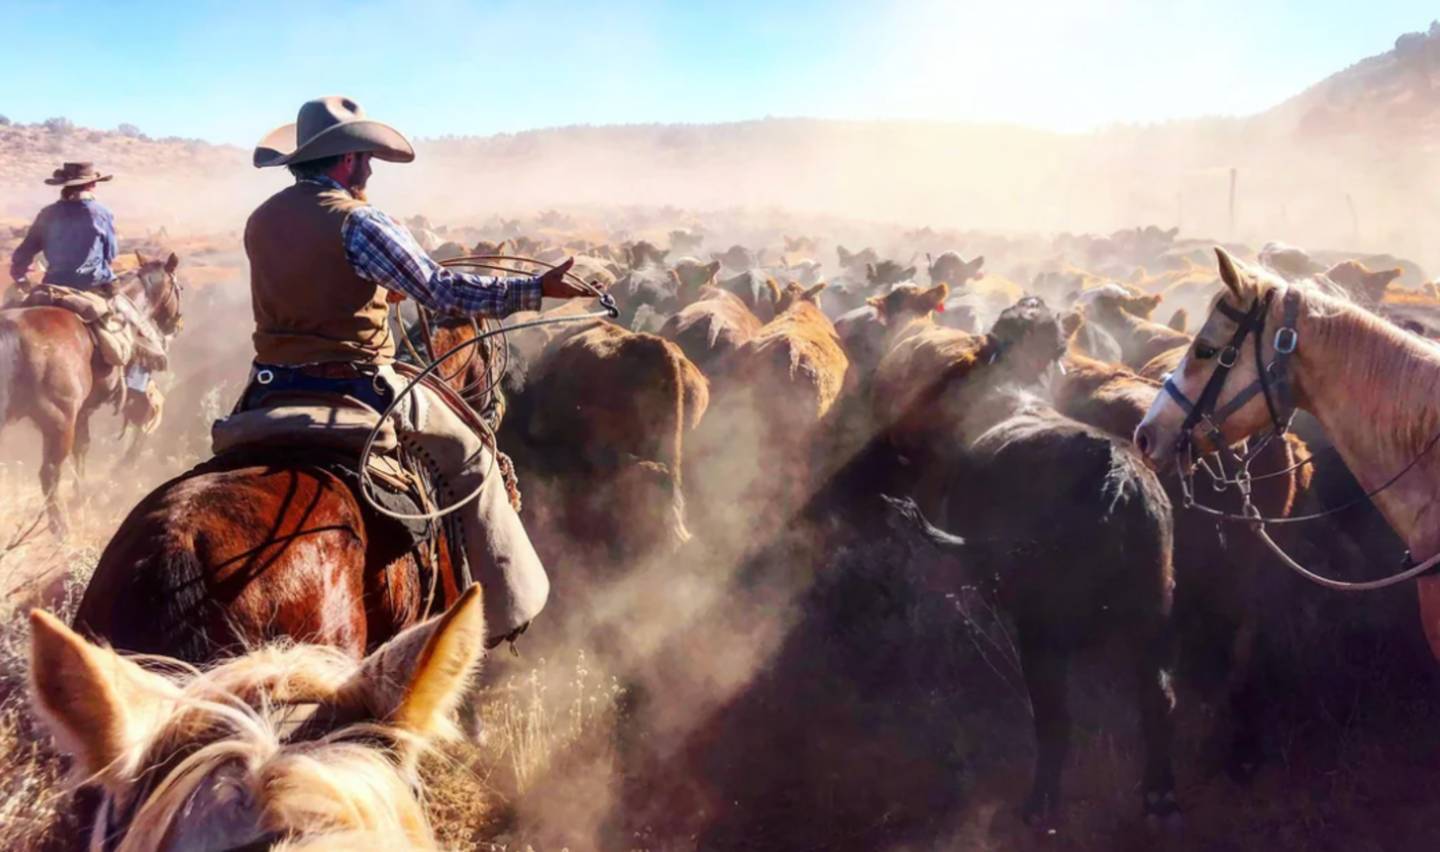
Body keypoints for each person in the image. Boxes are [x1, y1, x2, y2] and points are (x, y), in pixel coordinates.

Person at [244, 96, 592, 644]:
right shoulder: (359, 221)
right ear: (346, 161)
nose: (370, 171)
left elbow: (313, 286)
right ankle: (503, 611)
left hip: (268, 388)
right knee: (475, 458)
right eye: (365, 159)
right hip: (358, 381)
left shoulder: (261, 220)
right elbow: (441, 289)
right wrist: (536, 289)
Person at [8, 162, 118, 294]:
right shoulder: (101, 213)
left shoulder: (48, 213)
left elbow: (25, 251)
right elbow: (111, 253)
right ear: (91, 185)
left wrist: (20, 276)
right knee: (125, 311)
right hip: (93, 283)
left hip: (55, 284)